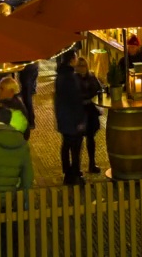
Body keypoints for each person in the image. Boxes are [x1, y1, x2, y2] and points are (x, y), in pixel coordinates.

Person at [53, 49, 87, 185]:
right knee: (76, 148)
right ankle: (74, 175)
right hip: (72, 119)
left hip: (63, 117)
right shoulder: (71, 78)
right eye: (76, 58)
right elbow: (75, 101)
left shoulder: (60, 75)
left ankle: (68, 172)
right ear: (72, 59)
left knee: (66, 145)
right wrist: (80, 120)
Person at [76, 56, 104, 174]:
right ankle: (77, 167)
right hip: (80, 112)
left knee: (91, 138)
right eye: (80, 66)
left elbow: (99, 89)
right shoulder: (74, 79)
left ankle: (92, 163)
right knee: (78, 141)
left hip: (91, 111)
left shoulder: (92, 77)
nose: (82, 68)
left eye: (84, 66)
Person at [19, 61, 39, 130]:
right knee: (26, 95)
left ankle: (31, 121)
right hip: (29, 67)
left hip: (28, 68)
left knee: (27, 97)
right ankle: (30, 119)